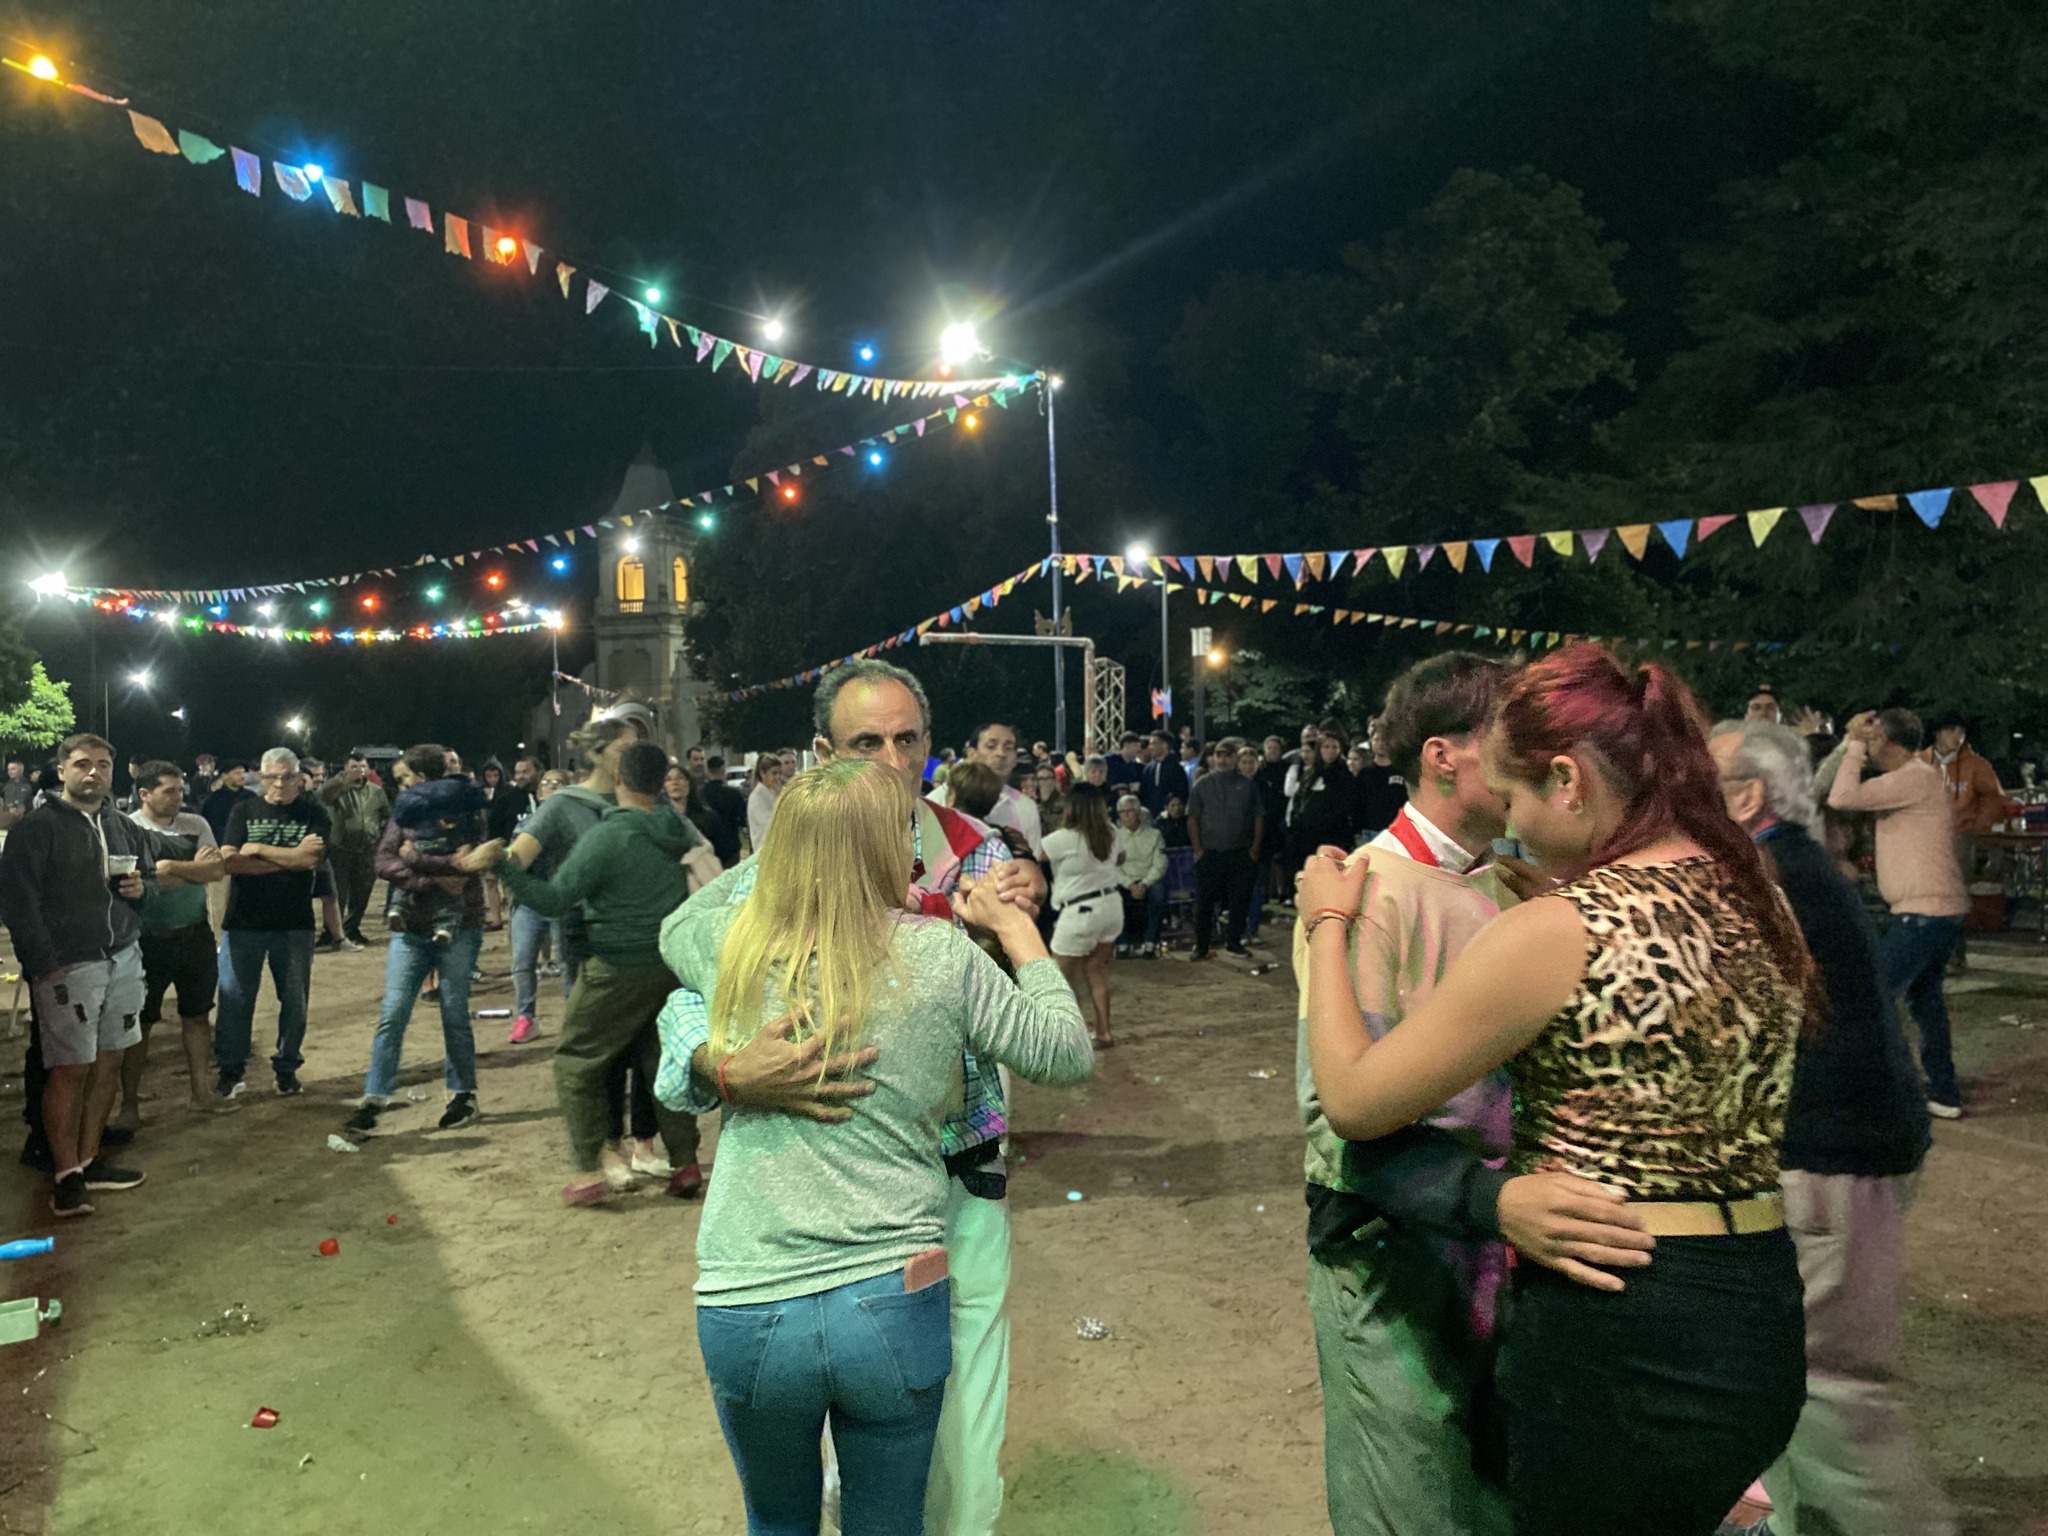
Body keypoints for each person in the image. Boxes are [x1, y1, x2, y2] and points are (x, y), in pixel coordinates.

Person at [1302, 645, 1809, 1536]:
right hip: (1754, 1306)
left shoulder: (1559, 927)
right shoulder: (1759, 898)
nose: (1514, 827)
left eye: (1519, 798)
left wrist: (1327, 923)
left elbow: (1349, 1099)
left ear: (1569, 781)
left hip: (1616, 1317)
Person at [656, 658, 1048, 1536]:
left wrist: (1028, 897)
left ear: (929, 747)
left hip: (964, 1162)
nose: (892, 762)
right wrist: (727, 1061)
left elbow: (1036, 991)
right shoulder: (794, 855)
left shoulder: (978, 847)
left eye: (907, 741)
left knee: (969, 1407)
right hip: (840, 1179)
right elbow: (681, 939)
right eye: (867, 743)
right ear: (825, 754)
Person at [1292, 650, 1661, 1536]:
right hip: (1395, 1255)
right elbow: (1336, 1119)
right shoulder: (1364, 891)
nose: (1531, 760)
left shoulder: (1508, 881)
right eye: (1509, 739)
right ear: (1443, 755)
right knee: (1412, 1500)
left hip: (1506, 1247)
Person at [1710, 719, 1954, 1536]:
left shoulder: (1772, 878)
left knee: (1828, 1388)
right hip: (1834, 1154)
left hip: (1829, 1163)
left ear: (1747, 796)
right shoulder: (1790, 868)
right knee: (1786, 1383)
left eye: (1702, 781)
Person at [486, 740, 709, 1204]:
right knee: (659, 1061)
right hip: (668, 965)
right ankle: (685, 1161)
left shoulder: (609, 836)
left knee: (576, 1061)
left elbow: (554, 899)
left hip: (614, 965)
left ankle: (590, 1169)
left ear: (621, 779)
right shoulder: (677, 828)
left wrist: (503, 870)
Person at [0, 733, 198, 1216]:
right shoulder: (38, 829)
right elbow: (18, 904)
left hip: (123, 957)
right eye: (83, 764)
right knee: (70, 1069)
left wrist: (143, 890)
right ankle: (66, 1175)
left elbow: (155, 871)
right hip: (71, 965)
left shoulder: (120, 824)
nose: (94, 772)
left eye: (103, 765)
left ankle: (88, 1160)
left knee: (110, 1060)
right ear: (62, 771)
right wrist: (46, 965)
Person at [1827, 709, 1971, 1118]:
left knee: (1871, 999)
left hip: (1922, 914)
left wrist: (1853, 746)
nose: (1867, 747)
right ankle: (1943, 1091)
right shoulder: (1917, 778)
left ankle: (1863, 1093)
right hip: (1936, 911)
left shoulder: (1912, 778)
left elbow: (1841, 796)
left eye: (1873, 739)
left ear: (1886, 742)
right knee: (1926, 1002)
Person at [339, 746, 486, 1136]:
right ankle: (375, 1096)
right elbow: (384, 860)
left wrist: (416, 861)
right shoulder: (404, 815)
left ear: (422, 777)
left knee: (454, 1011)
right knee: (393, 1012)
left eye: (405, 779)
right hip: (411, 926)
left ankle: (463, 1094)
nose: (401, 786)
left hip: (459, 925)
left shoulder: (466, 813)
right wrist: (433, 875)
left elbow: (471, 864)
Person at [500, 719, 633, 1044]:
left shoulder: (645, 798)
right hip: (584, 926)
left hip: (638, 926)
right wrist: (492, 858)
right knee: (590, 1023)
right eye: (624, 749)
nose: (633, 756)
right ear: (597, 753)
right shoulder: (564, 803)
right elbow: (519, 856)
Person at [214, 748, 331, 1099]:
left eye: (287, 776)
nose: (279, 784)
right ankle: (231, 1070)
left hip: (294, 922)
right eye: (272, 777)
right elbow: (229, 860)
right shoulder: (244, 810)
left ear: (299, 778)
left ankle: (286, 1067)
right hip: (244, 920)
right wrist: (290, 858)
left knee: (294, 1000)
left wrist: (258, 848)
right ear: (261, 778)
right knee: (235, 999)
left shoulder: (314, 812)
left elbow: (310, 859)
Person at [124, 761, 232, 1123]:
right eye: (169, 791)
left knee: (198, 1016)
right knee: (140, 1024)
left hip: (194, 934)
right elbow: (136, 883)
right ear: (144, 794)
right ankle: (128, 1105)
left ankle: (201, 1094)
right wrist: (190, 871)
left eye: (180, 790)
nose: (178, 797)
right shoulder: (128, 828)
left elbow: (215, 870)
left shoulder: (195, 824)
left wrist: (168, 869)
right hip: (146, 939)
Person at [1042, 783, 1125, 1048]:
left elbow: (1036, 854)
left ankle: (1069, 1038)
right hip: (1111, 906)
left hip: (1080, 911)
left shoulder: (1063, 838)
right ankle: (1104, 1032)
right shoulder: (1111, 831)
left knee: (1059, 977)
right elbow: (1121, 858)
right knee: (1095, 968)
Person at [1921, 713, 2004, 974]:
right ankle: (1928, 956)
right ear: (1938, 733)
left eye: (1962, 732)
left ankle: (1955, 956)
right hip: (1924, 838)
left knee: (1953, 896)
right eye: (1952, 730)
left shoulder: (1976, 764)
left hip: (1959, 834)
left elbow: (1994, 797)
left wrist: (1978, 825)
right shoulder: (1920, 762)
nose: (1958, 737)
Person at [1187, 737, 1263, 960]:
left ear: (1234, 759)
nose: (1222, 759)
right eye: (1218, 755)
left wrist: (1254, 849)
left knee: (1239, 900)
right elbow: (1192, 817)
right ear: (1212, 758)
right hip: (1210, 852)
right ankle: (1201, 946)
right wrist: (1198, 849)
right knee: (1204, 902)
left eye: (1227, 755)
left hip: (1240, 852)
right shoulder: (1202, 784)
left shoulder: (1247, 785)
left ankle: (1234, 942)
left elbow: (1258, 817)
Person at [932, 722, 1044, 860]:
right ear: (971, 753)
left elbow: (1032, 863)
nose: (1001, 754)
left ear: (1015, 758)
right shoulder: (935, 802)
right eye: (991, 746)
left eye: (1008, 748)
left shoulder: (1026, 807)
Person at [320, 754, 390, 947]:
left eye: (362, 766)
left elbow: (386, 814)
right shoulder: (335, 788)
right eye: (354, 766)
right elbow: (325, 796)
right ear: (345, 768)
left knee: (362, 893)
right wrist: (343, 782)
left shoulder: (376, 791)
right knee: (338, 894)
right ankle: (331, 932)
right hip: (340, 850)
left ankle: (352, 928)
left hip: (367, 849)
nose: (359, 770)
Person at [1287, 721, 1356, 876]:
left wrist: (1318, 822)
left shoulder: (1344, 777)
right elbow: (1298, 800)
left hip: (1331, 838)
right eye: (1326, 747)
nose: (1330, 751)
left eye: (1334, 747)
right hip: (1304, 839)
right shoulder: (1309, 774)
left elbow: (1343, 808)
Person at [1116, 794, 1168, 957]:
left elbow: (1160, 865)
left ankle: (1150, 943)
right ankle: (1122, 944)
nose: (1125, 815)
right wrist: (1130, 885)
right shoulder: (1114, 837)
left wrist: (1144, 884)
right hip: (1125, 881)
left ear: (1138, 812)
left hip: (1148, 881)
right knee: (1110, 895)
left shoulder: (1155, 834)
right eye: (1122, 812)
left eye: (1129, 811)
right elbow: (1113, 867)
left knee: (1158, 893)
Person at [1351, 716, 1408, 841]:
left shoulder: (1401, 772)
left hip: (1395, 834)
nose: (1381, 744)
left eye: (1385, 740)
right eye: (1376, 740)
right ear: (1371, 742)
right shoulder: (1365, 773)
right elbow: (1357, 805)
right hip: (1367, 834)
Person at [1139, 729, 1190, 819]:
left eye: (1153, 743)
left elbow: (1181, 792)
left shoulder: (1176, 768)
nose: (1150, 747)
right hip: (1151, 817)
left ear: (1164, 745)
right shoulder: (1148, 769)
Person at [199, 761, 254, 842]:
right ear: (224, 776)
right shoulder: (213, 800)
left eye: (243, 773)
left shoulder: (251, 796)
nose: (242, 776)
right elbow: (212, 828)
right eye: (237, 773)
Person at [702, 754, 749, 843]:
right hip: (730, 840)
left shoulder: (701, 793)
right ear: (723, 769)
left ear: (708, 771)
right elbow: (743, 818)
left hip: (708, 840)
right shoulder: (734, 793)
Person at [747, 754, 786, 852]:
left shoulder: (777, 792)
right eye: (774, 773)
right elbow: (771, 826)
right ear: (763, 774)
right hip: (765, 852)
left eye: (780, 773)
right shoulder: (756, 798)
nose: (778, 777)